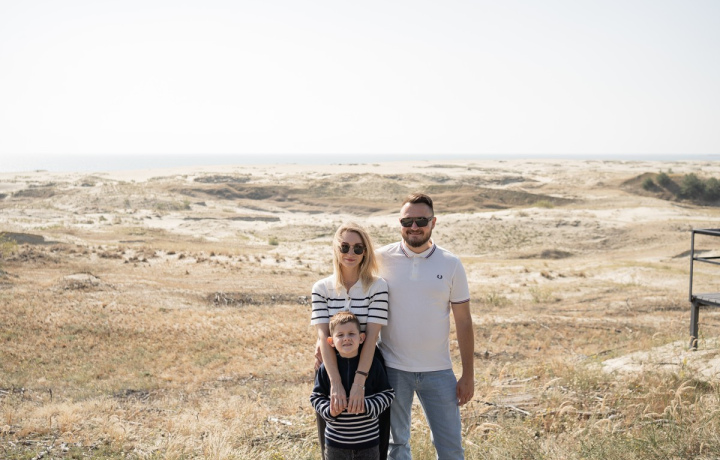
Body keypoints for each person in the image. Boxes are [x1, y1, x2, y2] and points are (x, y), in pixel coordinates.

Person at [376, 193, 475, 460]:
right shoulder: (380, 259)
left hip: (439, 371)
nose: (414, 226)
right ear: (399, 223)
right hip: (392, 369)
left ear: (433, 222)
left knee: (451, 448)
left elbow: (464, 321)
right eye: (407, 221)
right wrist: (321, 339)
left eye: (421, 220)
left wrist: (468, 375)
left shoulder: (451, 263)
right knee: (396, 447)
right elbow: (350, 294)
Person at [311, 222, 391, 459]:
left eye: (358, 248)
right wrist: (335, 382)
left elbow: (372, 336)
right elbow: (323, 336)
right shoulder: (321, 288)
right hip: (330, 363)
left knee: (375, 442)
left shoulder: (377, 286)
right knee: (331, 438)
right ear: (336, 248)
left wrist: (359, 382)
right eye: (344, 246)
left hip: (369, 363)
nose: (351, 253)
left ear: (365, 252)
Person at [311, 311, 395, 460]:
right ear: (330, 341)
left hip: (368, 444)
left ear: (361, 338)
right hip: (335, 444)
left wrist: (367, 406)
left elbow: (388, 394)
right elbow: (316, 397)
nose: (346, 338)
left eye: (351, 334)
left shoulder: (373, 365)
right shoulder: (326, 369)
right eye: (340, 335)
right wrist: (329, 411)